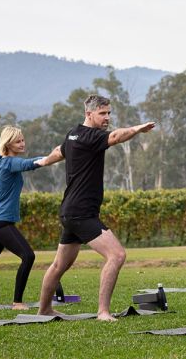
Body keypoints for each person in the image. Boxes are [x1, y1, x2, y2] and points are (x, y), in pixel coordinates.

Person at [37, 95, 155, 321]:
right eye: (102, 113)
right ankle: (102, 311)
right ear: (89, 114)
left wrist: (43, 161)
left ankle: (44, 310)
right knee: (117, 255)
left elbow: (59, 152)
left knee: (60, 264)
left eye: (109, 113)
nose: (107, 117)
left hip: (71, 211)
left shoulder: (73, 134)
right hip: (81, 212)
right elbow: (116, 136)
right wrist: (138, 128)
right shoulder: (91, 136)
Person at [0, 126, 62, 310]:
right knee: (28, 256)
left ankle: (17, 301)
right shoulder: (10, 162)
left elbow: (31, 162)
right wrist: (55, 156)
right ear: (8, 143)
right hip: (1, 222)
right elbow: (30, 164)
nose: (22, 143)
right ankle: (17, 302)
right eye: (18, 141)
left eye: (23, 140)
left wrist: (51, 157)